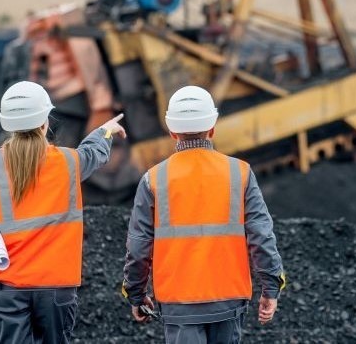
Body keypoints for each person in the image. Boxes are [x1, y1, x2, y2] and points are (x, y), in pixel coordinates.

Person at [0, 81, 126, 344]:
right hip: (55, 286)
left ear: (6, 124)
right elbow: (93, 153)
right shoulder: (69, 163)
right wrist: (106, 130)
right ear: (45, 122)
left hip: (5, 287)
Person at [122, 85, 285, 343]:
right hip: (228, 300)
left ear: (172, 131)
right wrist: (271, 287)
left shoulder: (154, 179)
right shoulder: (239, 173)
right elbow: (261, 235)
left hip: (178, 303)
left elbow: (139, 246)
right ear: (212, 127)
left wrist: (136, 294)